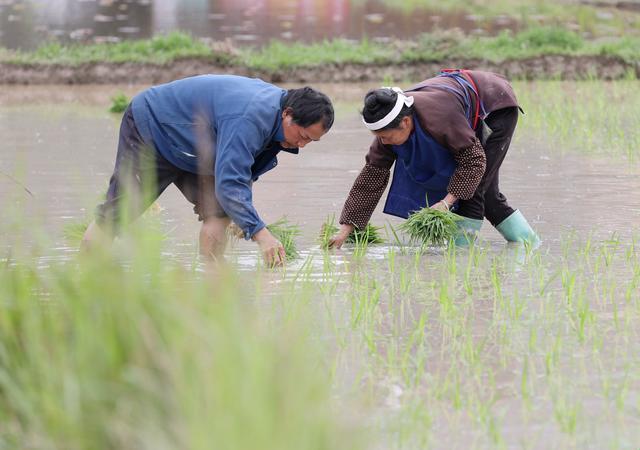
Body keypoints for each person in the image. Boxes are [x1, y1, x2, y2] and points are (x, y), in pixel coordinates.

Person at [81, 74, 334, 266]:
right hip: (152, 128)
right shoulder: (251, 117)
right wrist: (260, 233)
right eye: (302, 135)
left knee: (219, 212)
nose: (301, 145)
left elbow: (242, 174)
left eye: (311, 141)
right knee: (119, 213)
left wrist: (241, 216)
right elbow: (230, 183)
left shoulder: (280, 129)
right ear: (288, 114)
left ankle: (213, 280)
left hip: (197, 145)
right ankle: (83, 278)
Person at [328, 69, 538, 248]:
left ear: (406, 122)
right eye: (380, 138)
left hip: (495, 106)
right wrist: (345, 231)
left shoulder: (439, 118)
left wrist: (445, 203)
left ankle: (460, 259)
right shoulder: (389, 128)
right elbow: (371, 177)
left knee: (475, 192)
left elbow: (473, 161)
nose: (385, 143)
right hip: (461, 107)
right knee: (484, 192)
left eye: (387, 137)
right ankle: (529, 245)